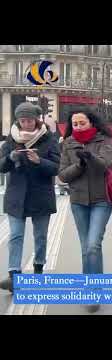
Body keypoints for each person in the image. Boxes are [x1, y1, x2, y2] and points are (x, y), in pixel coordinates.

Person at [58, 107, 112, 313]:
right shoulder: (67, 143)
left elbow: (105, 166)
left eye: (82, 123)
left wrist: (88, 156)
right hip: (78, 201)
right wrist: (79, 165)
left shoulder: (103, 140)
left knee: (93, 245)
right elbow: (63, 175)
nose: (78, 127)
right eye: (75, 124)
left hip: (102, 199)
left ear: (91, 122)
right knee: (86, 248)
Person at [0, 102, 60, 292]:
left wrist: (39, 161)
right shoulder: (11, 139)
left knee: (40, 236)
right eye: (22, 120)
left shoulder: (49, 139)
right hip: (16, 196)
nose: (25, 124)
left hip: (41, 195)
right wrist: (10, 158)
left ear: (36, 119)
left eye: (29, 120)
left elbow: (57, 167)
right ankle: (14, 275)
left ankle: (38, 269)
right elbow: (1, 166)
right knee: (16, 235)